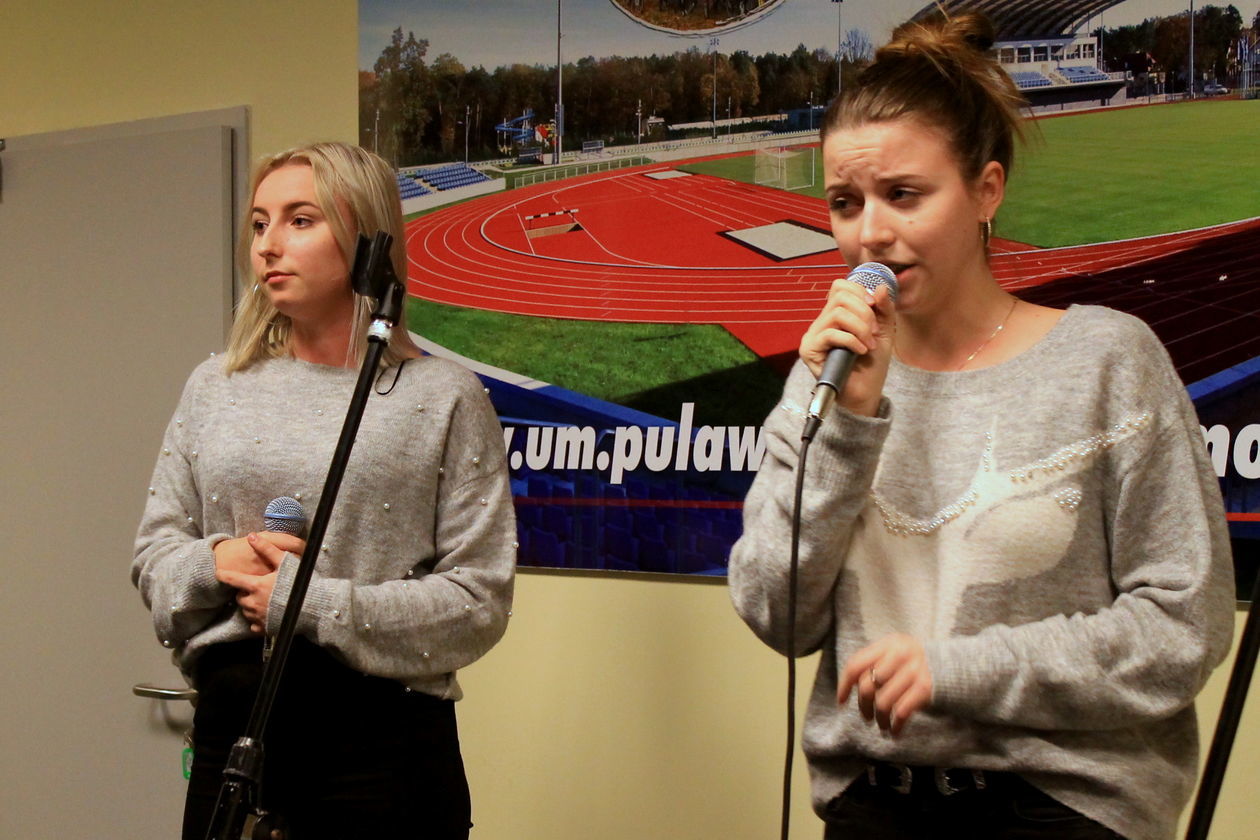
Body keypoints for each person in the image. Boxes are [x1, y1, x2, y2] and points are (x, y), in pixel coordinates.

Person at [728, 13, 1234, 840]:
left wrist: (956, 672)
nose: (870, 233)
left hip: (1062, 806)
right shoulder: (828, 380)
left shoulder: (1107, 360)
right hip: (872, 806)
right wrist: (848, 427)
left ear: (987, 191)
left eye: (904, 195)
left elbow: (1183, 627)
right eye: (845, 203)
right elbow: (775, 614)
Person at [131, 142, 516, 839]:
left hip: (383, 754)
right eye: (259, 223)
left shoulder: (443, 397)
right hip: (232, 736)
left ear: (368, 241)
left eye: (299, 220)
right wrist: (217, 561)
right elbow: (154, 555)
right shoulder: (214, 386)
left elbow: (478, 603)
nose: (269, 244)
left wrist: (309, 604)